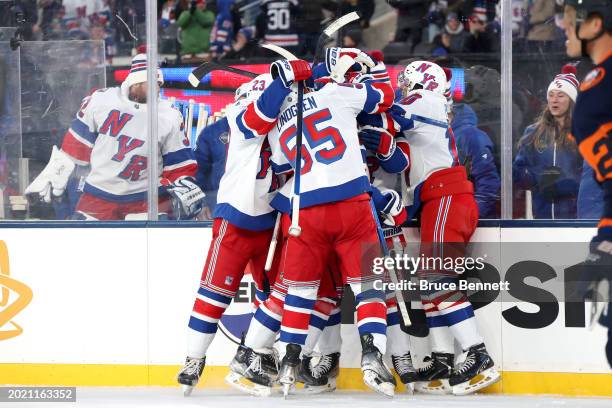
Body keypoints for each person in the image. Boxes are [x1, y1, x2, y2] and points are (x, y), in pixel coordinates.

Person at [229, 49, 397, 397]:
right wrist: (362, 70)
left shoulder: (276, 124)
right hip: (352, 204)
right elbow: (385, 97)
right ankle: (373, 356)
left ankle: (289, 361)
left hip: (303, 213)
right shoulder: (336, 92)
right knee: (368, 288)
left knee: (298, 293)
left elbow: (279, 165)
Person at [360, 60, 499, 395]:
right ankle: (442, 358)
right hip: (439, 198)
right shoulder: (432, 106)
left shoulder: (427, 101)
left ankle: (478, 354)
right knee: (430, 284)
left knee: (435, 280)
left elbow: (385, 110)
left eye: (407, 82)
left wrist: (362, 86)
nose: (405, 88)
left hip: (446, 195)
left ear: (421, 82)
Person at [176, 74, 284, 395]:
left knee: (277, 296)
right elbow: (262, 113)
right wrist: (285, 80)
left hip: (270, 224)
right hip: (235, 221)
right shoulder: (242, 117)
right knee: (213, 295)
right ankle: (194, 359)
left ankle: (258, 353)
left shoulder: (281, 127)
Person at [25, 54, 204, 221]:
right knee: (82, 242)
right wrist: (59, 169)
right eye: (151, 82)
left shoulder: (169, 115)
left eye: (158, 83)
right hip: (99, 193)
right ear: (135, 83)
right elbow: (77, 145)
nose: (156, 88)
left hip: (146, 198)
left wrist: (183, 184)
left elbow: (179, 164)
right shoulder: (102, 100)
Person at [563, 0, 612, 367]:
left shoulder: (601, 87)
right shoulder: (596, 83)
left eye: (569, 25)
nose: (565, 33)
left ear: (594, 25)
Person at [513, 65, 582, 219]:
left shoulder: (584, 132)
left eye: (561, 95)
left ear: (572, 100)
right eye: (551, 95)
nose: (554, 100)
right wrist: (538, 178)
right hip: (541, 216)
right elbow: (518, 170)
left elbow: (593, 174)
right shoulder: (533, 132)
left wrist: (565, 182)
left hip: (576, 218)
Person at [451, 102, 500, 219]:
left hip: (467, 217)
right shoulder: (443, 135)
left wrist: (472, 214)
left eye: (449, 113)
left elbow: (487, 178)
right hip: (450, 212)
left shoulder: (470, 135)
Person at [194, 115, 229, 218]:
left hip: (255, 199)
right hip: (218, 200)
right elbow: (199, 171)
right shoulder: (213, 132)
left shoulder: (265, 128)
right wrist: (201, 203)